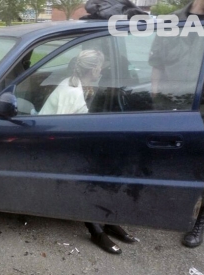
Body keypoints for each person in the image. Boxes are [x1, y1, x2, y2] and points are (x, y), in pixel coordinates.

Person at [40, 50, 138, 254]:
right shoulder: (71, 90)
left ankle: (108, 221)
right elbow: (58, 131)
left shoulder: (80, 83)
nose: (101, 70)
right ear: (93, 69)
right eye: (100, 67)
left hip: (72, 144)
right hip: (51, 148)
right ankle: (96, 230)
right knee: (88, 180)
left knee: (108, 173)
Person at [149, 0, 204, 248]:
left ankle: (199, 218)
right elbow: (157, 63)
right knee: (171, 160)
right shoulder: (171, 21)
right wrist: (155, 100)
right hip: (173, 104)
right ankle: (172, 207)